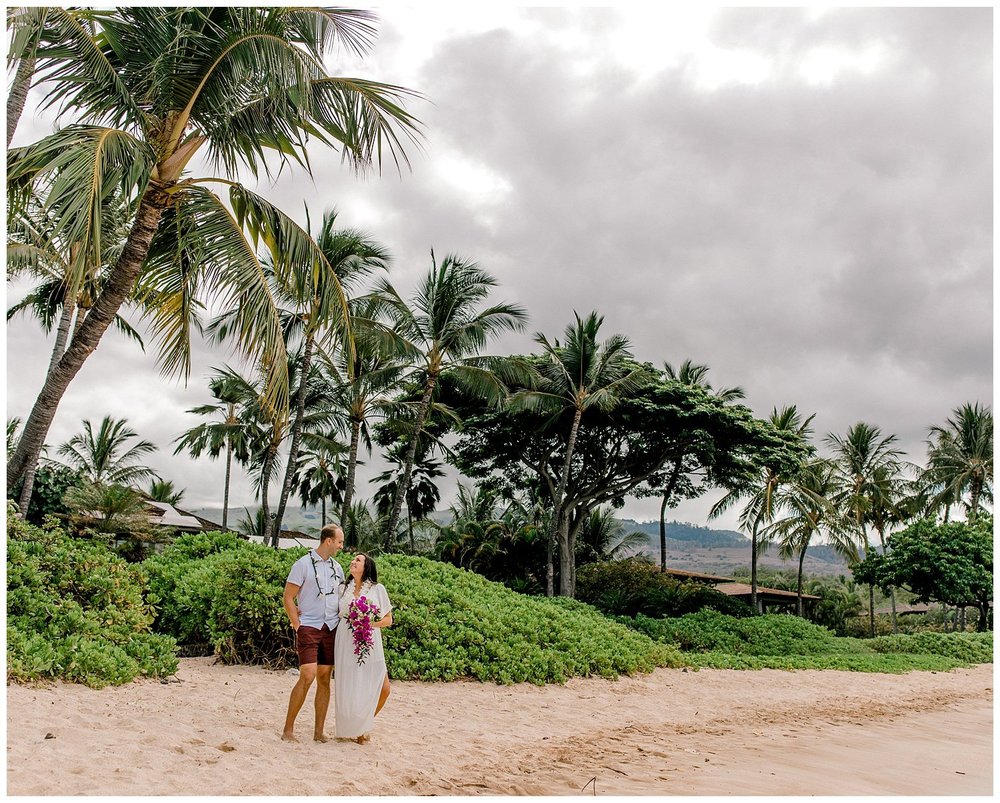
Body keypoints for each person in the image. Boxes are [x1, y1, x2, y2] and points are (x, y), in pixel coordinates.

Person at [281, 523, 345, 743]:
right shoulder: (302, 564)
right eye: (339, 542)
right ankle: (288, 730)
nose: (341, 546)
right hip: (309, 626)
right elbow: (288, 597)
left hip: (331, 627)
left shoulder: (338, 568)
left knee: (325, 678)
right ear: (328, 541)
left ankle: (319, 732)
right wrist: (297, 624)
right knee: (307, 675)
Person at [334, 553, 393, 744]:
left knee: (383, 688)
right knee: (351, 686)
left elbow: (388, 619)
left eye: (358, 560)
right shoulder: (342, 588)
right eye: (353, 559)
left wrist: (368, 624)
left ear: (366, 566)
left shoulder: (378, 589)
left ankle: (364, 724)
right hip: (345, 639)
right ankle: (354, 729)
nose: (353, 562)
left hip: (370, 641)